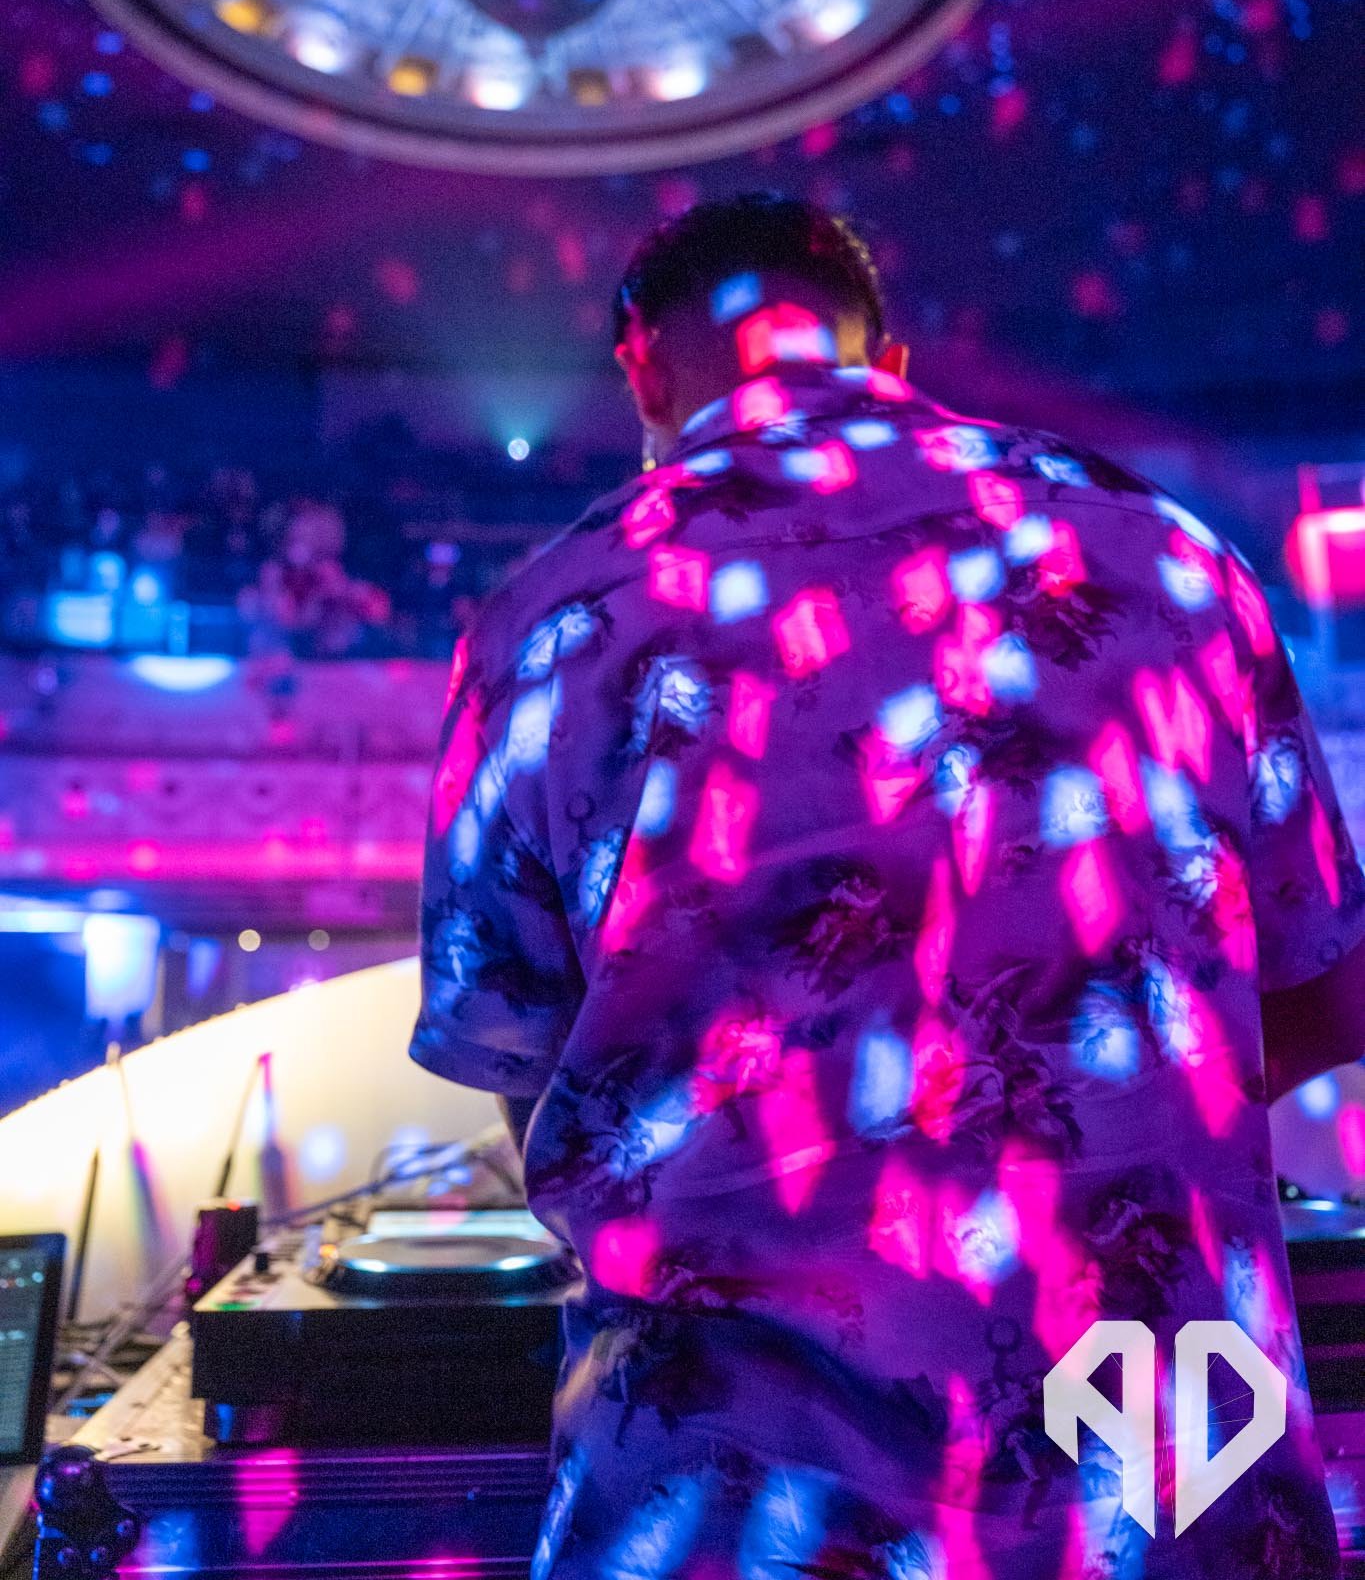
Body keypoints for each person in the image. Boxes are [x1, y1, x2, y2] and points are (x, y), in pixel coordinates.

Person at [411, 192, 1365, 1580]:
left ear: (641, 374)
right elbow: (1329, 995)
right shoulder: (1169, 556)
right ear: (890, 358)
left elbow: (525, 1064)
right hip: (1160, 1468)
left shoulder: (550, 620)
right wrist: (1074, 1124)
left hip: (738, 1496)